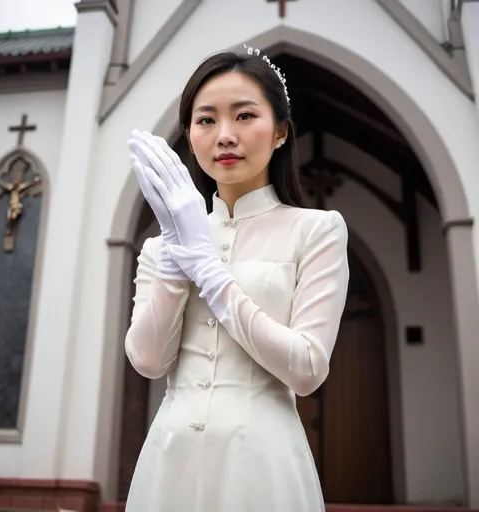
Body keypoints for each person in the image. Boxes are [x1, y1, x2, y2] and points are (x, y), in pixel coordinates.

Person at [124, 45, 349, 512]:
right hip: (170, 461)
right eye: (206, 120)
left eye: (245, 116)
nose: (225, 135)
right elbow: (147, 360)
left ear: (281, 131)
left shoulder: (317, 231)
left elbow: (307, 370)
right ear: (189, 135)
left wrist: (209, 273)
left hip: (263, 463)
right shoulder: (162, 246)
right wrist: (174, 256)